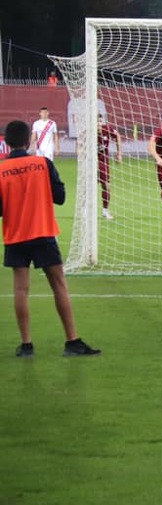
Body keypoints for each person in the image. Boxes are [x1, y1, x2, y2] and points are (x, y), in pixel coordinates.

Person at [0, 120, 100, 358]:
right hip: (43, 231)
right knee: (59, 286)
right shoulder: (42, 163)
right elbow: (60, 196)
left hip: (16, 234)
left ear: (6, 142)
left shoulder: (1, 170)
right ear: (29, 140)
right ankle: (72, 341)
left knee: (21, 290)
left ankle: (26, 345)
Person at [97, 113, 123, 220]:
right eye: (96, 122)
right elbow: (80, 141)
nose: (98, 124)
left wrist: (119, 153)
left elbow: (118, 136)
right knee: (88, 188)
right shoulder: (88, 131)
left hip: (103, 162)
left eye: (100, 121)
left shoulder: (107, 129)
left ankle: (105, 210)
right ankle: (85, 211)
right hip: (90, 163)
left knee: (106, 186)